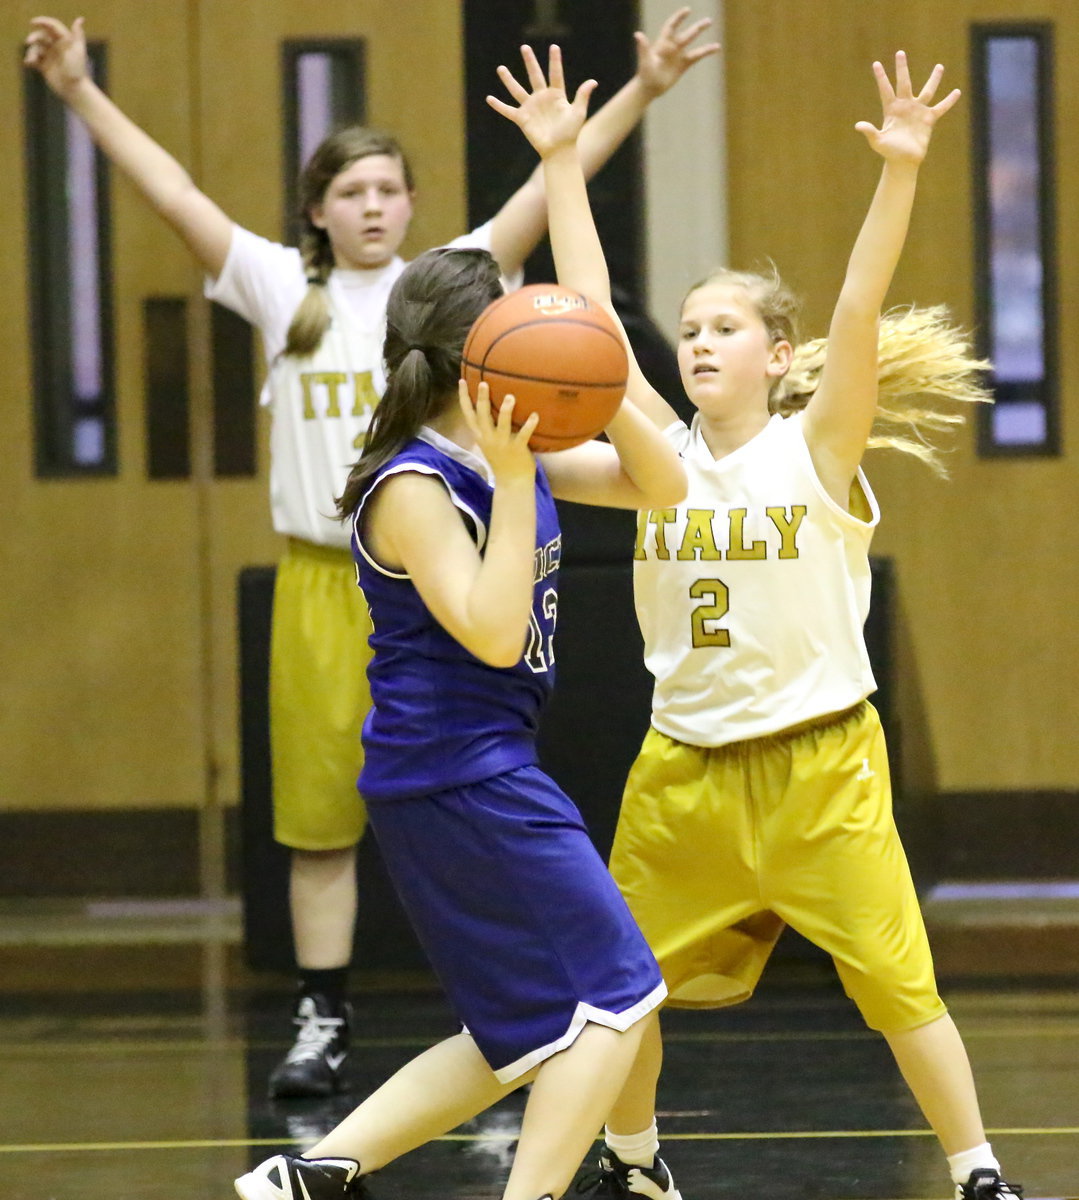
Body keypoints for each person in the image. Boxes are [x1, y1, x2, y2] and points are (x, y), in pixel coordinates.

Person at [23, 10, 719, 1100]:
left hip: (462, 559)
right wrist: (75, 90)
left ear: (411, 204)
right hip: (324, 573)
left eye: (388, 188)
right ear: (317, 210)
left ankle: (500, 1029)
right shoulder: (282, 291)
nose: (373, 206)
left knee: (463, 822)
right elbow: (173, 195)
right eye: (350, 192)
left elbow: (559, 210)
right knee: (318, 815)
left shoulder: (463, 284)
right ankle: (323, 1011)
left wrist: (645, 90)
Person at [490, 44, 1025, 1200]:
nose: (695, 342)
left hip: (820, 767)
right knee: (616, 990)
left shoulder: (814, 446)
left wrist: (899, 171)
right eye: (686, 327)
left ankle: (977, 1171)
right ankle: (636, 1164)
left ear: (776, 360)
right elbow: (583, 319)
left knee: (899, 987)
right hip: (681, 771)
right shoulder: (649, 458)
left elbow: (857, 302)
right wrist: (562, 164)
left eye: (722, 327)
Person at [233, 241, 688, 1200]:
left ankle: (314, 1175)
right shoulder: (414, 486)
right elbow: (489, 632)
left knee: (520, 1033)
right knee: (618, 992)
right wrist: (521, 478)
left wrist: (602, 368)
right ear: (477, 355)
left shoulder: (509, 451)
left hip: (473, 768)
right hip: (453, 773)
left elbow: (663, 487)